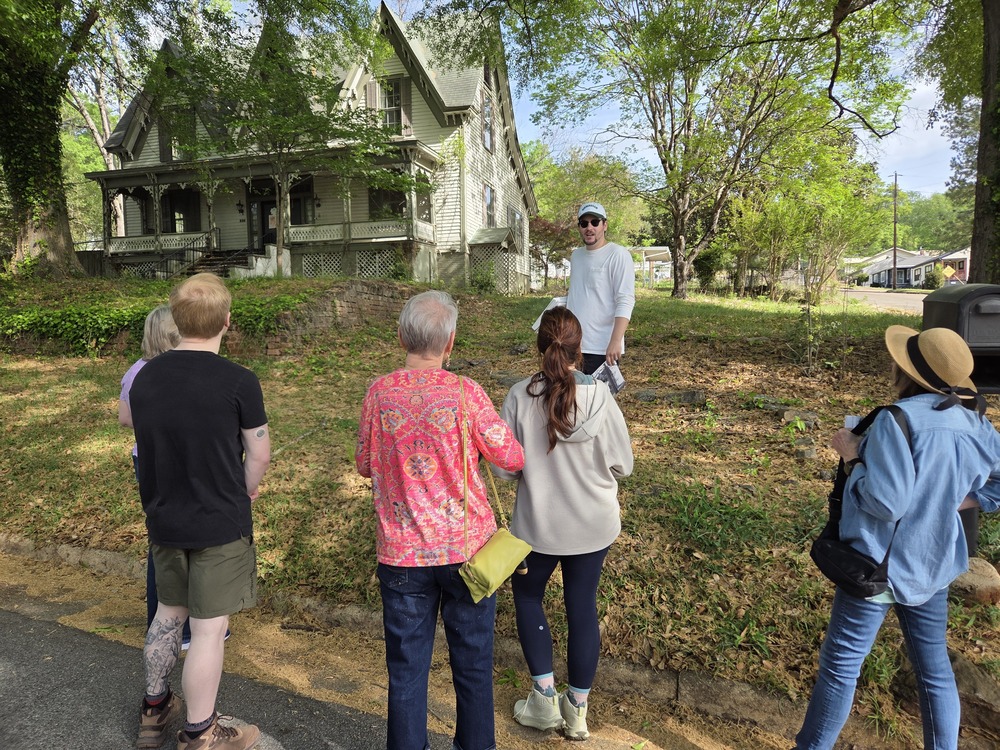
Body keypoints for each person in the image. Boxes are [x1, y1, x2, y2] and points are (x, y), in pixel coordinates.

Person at [794, 326, 1000, 750]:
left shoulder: (896, 419)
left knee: (841, 666)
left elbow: (886, 503)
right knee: (934, 671)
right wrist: (956, 499)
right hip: (935, 562)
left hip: (876, 566)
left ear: (907, 372)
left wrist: (852, 455)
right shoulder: (977, 422)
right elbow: (994, 485)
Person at [355, 290, 525, 750]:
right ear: (450, 342)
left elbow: (365, 463)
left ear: (400, 337)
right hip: (468, 555)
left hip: (401, 556)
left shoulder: (379, 392)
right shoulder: (465, 393)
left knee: (406, 672)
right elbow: (510, 455)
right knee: (473, 668)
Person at [130, 273, 271, 750]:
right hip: (218, 521)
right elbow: (259, 454)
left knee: (167, 616)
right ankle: (201, 732)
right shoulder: (239, 381)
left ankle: (154, 711)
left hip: (165, 517)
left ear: (177, 319)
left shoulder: (146, 376)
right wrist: (246, 491)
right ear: (226, 323)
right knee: (208, 631)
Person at [492, 306, 634, 741]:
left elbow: (503, 469)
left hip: (538, 526)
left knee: (529, 598)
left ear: (541, 348)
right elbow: (623, 465)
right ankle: (576, 710)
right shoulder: (601, 399)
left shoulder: (520, 395)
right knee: (581, 606)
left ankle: (542, 698)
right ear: (580, 349)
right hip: (592, 526)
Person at [565, 201, 636, 375]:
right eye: (584, 223)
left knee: (600, 401)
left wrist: (615, 340)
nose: (589, 227)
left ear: (604, 225)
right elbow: (578, 295)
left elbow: (625, 300)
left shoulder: (618, 255)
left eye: (594, 222)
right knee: (571, 399)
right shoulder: (576, 255)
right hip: (572, 345)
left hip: (601, 347)